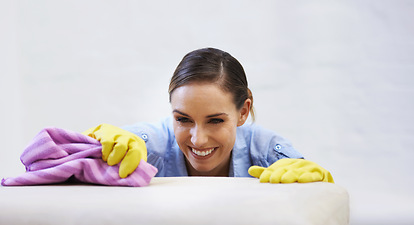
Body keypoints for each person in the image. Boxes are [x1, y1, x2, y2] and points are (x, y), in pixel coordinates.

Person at [84, 47, 334, 183]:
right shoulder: (147, 148)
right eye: (183, 119)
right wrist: (86, 150)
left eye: (215, 120)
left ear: (243, 112)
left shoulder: (267, 154)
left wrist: (318, 189)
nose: (198, 139)